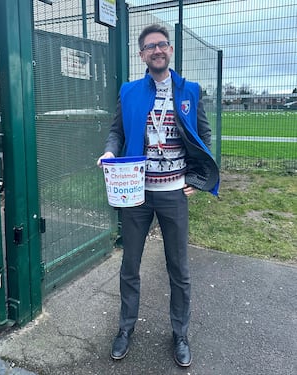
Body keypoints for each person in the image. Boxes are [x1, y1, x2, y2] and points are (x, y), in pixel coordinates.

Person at [97, 24, 219, 367]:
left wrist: (199, 176)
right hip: (136, 193)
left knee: (179, 268)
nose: (157, 50)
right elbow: (116, 131)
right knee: (129, 266)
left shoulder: (190, 91)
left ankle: (180, 333)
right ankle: (125, 328)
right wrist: (109, 153)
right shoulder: (129, 91)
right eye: (150, 47)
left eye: (162, 45)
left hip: (173, 193)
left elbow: (204, 135)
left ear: (169, 50)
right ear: (142, 55)